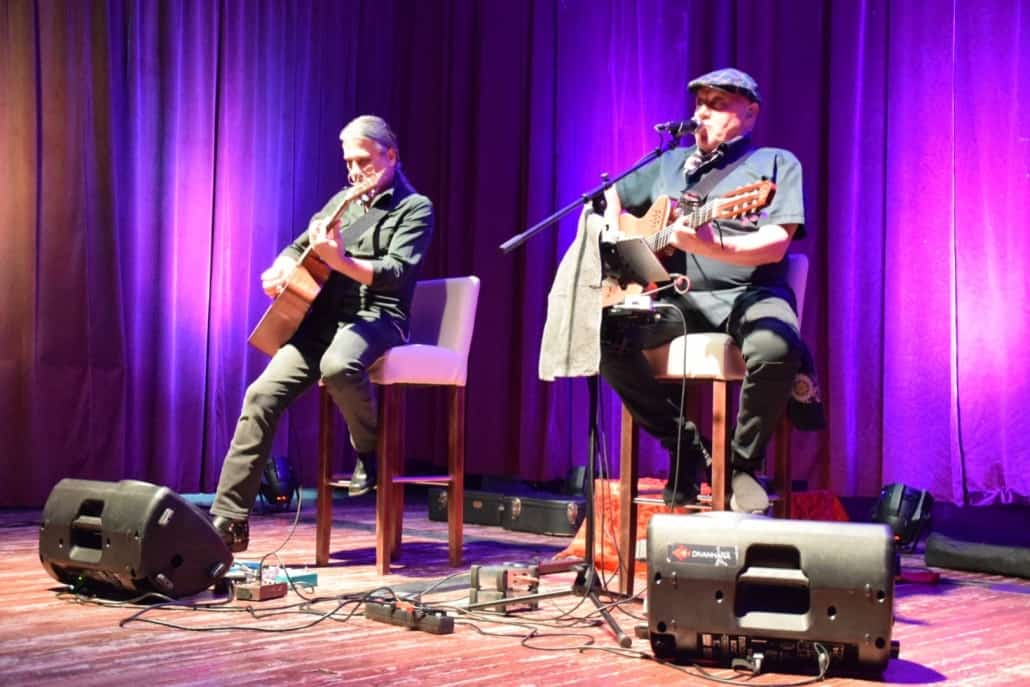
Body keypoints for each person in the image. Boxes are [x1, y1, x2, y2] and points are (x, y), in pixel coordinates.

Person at [210, 115, 434, 552]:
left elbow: (395, 273)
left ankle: (370, 450)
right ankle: (229, 519)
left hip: (379, 316)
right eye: (349, 162)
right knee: (260, 396)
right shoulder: (343, 203)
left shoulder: (415, 208)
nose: (355, 171)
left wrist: (341, 261)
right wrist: (282, 268)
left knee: (338, 365)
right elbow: (300, 247)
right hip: (323, 321)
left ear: (391, 156)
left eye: (364, 161)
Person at [600, 68, 806, 512]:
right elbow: (610, 192)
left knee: (776, 347)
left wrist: (712, 246)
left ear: (750, 114)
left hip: (751, 292)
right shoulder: (668, 164)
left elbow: (776, 243)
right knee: (604, 334)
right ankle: (685, 445)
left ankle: (739, 464)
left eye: (717, 104)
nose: (703, 113)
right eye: (700, 103)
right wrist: (617, 229)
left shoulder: (775, 162)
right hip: (680, 296)